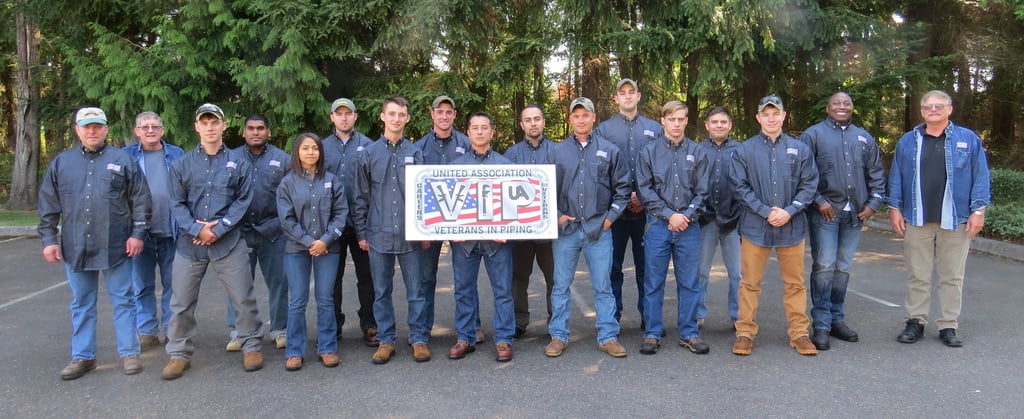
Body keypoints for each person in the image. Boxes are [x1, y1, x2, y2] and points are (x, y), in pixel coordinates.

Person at [38, 107, 152, 380]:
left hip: (116, 246)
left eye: (97, 126)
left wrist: (138, 234)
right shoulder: (61, 163)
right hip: (75, 246)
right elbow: (48, 203)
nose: (92, 131)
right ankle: (83, 357)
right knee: (81, 302)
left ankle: (129, 353)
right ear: (77, 130)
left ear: (105, 129)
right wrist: (49, 239)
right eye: (87, 126)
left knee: (123, 300)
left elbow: (141, 199)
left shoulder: (123, 160)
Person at [161, 103, 264, 379]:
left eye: (214, 122)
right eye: (204, 122)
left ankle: (251, 345)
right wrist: (197, 229)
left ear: (223, 125)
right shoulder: (181, 165)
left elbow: (243, 201)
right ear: (197, 127)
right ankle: (179, 353)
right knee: (181, 301)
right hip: (189, 245)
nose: (209, 127)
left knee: (243, 297)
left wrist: (219, 229)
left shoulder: (238, 163)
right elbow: (176, 203)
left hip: (228, 242)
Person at [888, 90, 991, 348]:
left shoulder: (967, 139)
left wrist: (978, 211)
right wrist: (895, 208)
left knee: (952, 276)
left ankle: (948, 325)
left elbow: (981, 175)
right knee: (918, 274)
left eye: (938, 106)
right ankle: (915, 321)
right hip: (917, 218)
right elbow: (897, 176)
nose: (933, 109)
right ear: (922, 111)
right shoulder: (908, 141)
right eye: (928, 106)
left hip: (956, 220)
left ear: (949, 109)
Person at [730, 95, 819, 357]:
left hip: (791, 228)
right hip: (755, 228)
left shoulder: (800, 149)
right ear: (758, 117)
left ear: (783, 116)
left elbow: (810, 185)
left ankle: (799, 334)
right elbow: (739, 187)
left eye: (775, 113)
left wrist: (789, 211)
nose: (771, 118)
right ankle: (745, 333)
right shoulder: (744, 150)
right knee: (749, 284)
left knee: (795, 284)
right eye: (765, 114)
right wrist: (766, 211)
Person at [545, 97, 631, 358]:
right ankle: (559, 335)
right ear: (570, 119)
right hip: (567, 231)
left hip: (598, 229)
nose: (581, 119)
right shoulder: (557, 152)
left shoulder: (610, 150)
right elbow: (546, 189)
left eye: (586, 115)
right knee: (560, 285)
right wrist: (557, 215)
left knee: (603, 285)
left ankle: (608, 335)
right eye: (576, 115)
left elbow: (623, 189)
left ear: (594, 117)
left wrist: (610, 219)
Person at [799, 92, 885, 350]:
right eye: (836, 103)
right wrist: (818, 200)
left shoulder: (864, 137)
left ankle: (838, 320)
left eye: (846, 103)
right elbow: (802, 174)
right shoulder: (813, 135)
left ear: (852, 107)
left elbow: (876, 173)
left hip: (855, 214)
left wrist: (873, 203)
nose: (842, 106)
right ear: (828, 108)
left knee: (842, 267)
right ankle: (822, 325)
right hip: (825, 212)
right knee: (824, 266)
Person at [352, 96, 431, 364]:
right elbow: (360, 197)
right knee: (381, 292)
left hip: (411, 236)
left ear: (407, 119)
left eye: (402, 115)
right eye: (392, 114)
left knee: (416, 292)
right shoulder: (369, 154)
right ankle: (386, 340)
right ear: (382, 116)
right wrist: (361, 234)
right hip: (378, 234)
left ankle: (418, 338)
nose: (397, 119)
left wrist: (425, 232)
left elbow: (425, 197)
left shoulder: (416, 153)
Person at [635, 100, 709, 355]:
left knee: (689, 282)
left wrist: (685, 216)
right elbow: (644, 190)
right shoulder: (648, 152)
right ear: (662, 121)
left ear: (686, 121)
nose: (676, 124)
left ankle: (689, 333)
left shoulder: (698, 152)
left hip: (689, 227)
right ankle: (653, 332)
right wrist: (669, 215)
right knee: (653, 282)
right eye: (671, 119)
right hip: (657, 227)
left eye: (681, 119)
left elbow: (703, 191)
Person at [446, 112, 516, 362]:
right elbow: (448, 207)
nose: (479, 132)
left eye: (484, 127)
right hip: (464, 243)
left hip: (497, 243)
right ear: (468, 132)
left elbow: (512, 207)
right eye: (474, 127)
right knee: (463, 291)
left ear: (492, 132)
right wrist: (450, 229)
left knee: (503, 291)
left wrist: (507, 230)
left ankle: (505, 339)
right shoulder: (454, 168)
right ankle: (465, 337)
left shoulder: (506, 166)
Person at [277, 133, 348, 370]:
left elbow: (341, 215)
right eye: (305, 148)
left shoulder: (332, 180)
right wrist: (309, 241)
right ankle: (294, 351)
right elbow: (286, 220)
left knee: (325, 299)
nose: (310, 152)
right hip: (297, 248)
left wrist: (325, 241)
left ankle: (327, 348)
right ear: (297, 151)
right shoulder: (288, 183)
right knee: (297, 300)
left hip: (329, 249)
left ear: (320, 152)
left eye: (315, 148)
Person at [593, 79, 661, 326]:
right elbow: (599, 171)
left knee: (647, 267)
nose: (628, 96)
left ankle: (649, 317)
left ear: (639, 96)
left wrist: (643, 197)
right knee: (613, 268)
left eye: (632, 92)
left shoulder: (655, 128)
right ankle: (614, 316)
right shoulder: (604, 130)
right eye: (623, 93)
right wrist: (620, 199)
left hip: (647, 211)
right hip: (616, 213)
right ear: (616, 99)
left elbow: (661, 166)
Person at [226, 115, 290, 352]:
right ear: (244, 132)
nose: (255, 132)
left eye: (260, 128)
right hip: (239, 232)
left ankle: (280, 329)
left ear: (268, 132)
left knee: (279, 284)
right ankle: (238, 331)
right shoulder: (230, 158)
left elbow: (288, 197)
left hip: (272, 231)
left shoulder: (282, 160)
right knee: (238, 285)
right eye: (251, 129)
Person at [123, 111, 185, 351]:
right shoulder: (126, 156)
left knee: (173, 284)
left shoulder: (177, 154)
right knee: (142, 285)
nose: (150, 130)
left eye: (155, 126)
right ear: (137, 131)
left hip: (172, 231)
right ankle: (147, 330)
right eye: (145, 127)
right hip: (139, 234)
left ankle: (172, 329)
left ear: (162, 129)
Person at [415, 95, 474, 341]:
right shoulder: (419, 147)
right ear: (432, 114)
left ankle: (471, 328)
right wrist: (422, 231)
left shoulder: (467, 143)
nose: (444, 116)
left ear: (454, 115)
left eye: (448, 112)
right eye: (440, 111)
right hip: (431, 224)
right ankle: (422, 331)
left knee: (464, 280)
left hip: (462, 222)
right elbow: (416, 189)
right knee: (426, 279)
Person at [322, 98, 379, 346]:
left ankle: (370, 324)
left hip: (362, 224)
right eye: (339, 114)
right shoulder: (321, 148)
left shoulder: (368, 146)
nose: (344, 118)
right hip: (331, 225)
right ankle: (333, 327)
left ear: (356, 116)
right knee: (332, 279)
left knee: (367, 277)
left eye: (348, 114)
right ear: (332, 118)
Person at [504, 104, 555, 338]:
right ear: (521, 124)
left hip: (549, 230)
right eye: (528, 120)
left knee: (554, 278)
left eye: (537, 119)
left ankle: (556, 321)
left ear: (543, 122)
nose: (533, 123)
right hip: (521, 230)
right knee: (518, 278)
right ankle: (519, 321)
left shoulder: (557, 151)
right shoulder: (510, 155)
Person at [696, 107, 741, 330]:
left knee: (737, 273)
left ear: (730, 125)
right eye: (715, 122)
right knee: (701, 271)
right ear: (707, 125)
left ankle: (738, 316)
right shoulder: (697, 150)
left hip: (733, 221)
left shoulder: (741, 151)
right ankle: (697, 315)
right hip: (705, 220)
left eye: (723, 122)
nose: (719, 125)